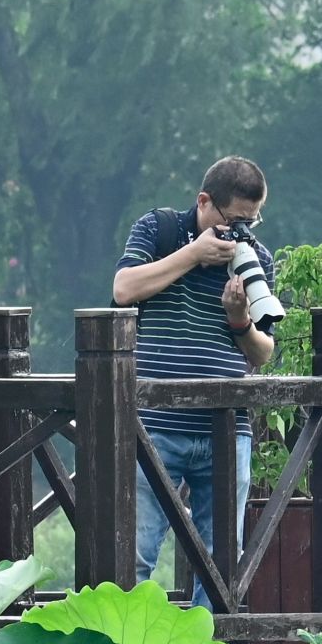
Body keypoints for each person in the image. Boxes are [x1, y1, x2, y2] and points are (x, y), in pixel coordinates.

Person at [112, 155, 279, 608]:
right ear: (204, 201)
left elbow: (263, 352)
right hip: (153, 427)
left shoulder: (256, 257)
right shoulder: (160, 229)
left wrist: (240, 320)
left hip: (225, 430)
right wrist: (193, 255)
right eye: (234, 220)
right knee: (133, 559)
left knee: (221, 568)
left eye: (251, 221)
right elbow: (123, 289)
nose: (241, 232)